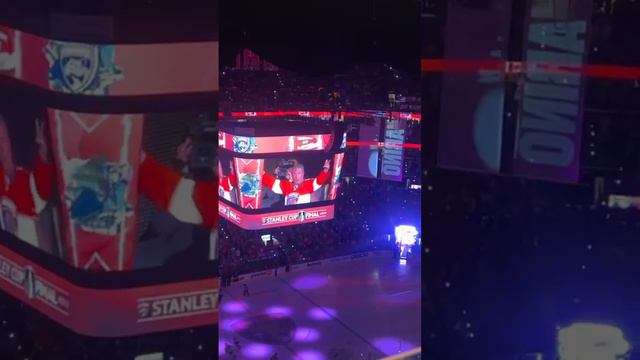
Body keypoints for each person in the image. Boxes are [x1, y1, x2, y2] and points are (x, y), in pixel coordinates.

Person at [0, 116, 54, 247]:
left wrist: (43, 154)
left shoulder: (26, 175)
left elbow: (45, 191)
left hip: (31, 256)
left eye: (2, 138)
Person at [262, 159, 331, 205]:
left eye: (299, 173)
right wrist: (262, 174)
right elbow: (272, 183)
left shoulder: (309, 184)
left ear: (303, 173)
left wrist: (325, 170)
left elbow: (319, 181)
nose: (296, 176)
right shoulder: (287, 185)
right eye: (294, 173)